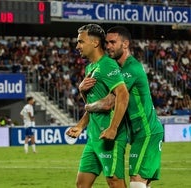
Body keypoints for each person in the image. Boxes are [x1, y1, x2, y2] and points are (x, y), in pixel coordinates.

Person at [70, 26, 164, 188]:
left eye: (113, 42)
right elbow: (96, 100)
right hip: (132, 132)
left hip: (146, 130)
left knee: (136, 183)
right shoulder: (107, 67)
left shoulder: (130, 68)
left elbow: (108, 102)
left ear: (125, 44)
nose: (108, 46)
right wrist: (81, 121)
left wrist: (109, 124)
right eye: (107, 42)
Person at [66, 24, 129, 188]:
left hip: (109, 137)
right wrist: (80, 125)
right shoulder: (91, 67)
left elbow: (122, 94)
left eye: (81, 41)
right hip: (94, 137)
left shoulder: (107, 65)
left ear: (94, 43)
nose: (77, 45)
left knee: (115, 183)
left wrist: (113, 128)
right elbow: (92, 106)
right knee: (81, 184)